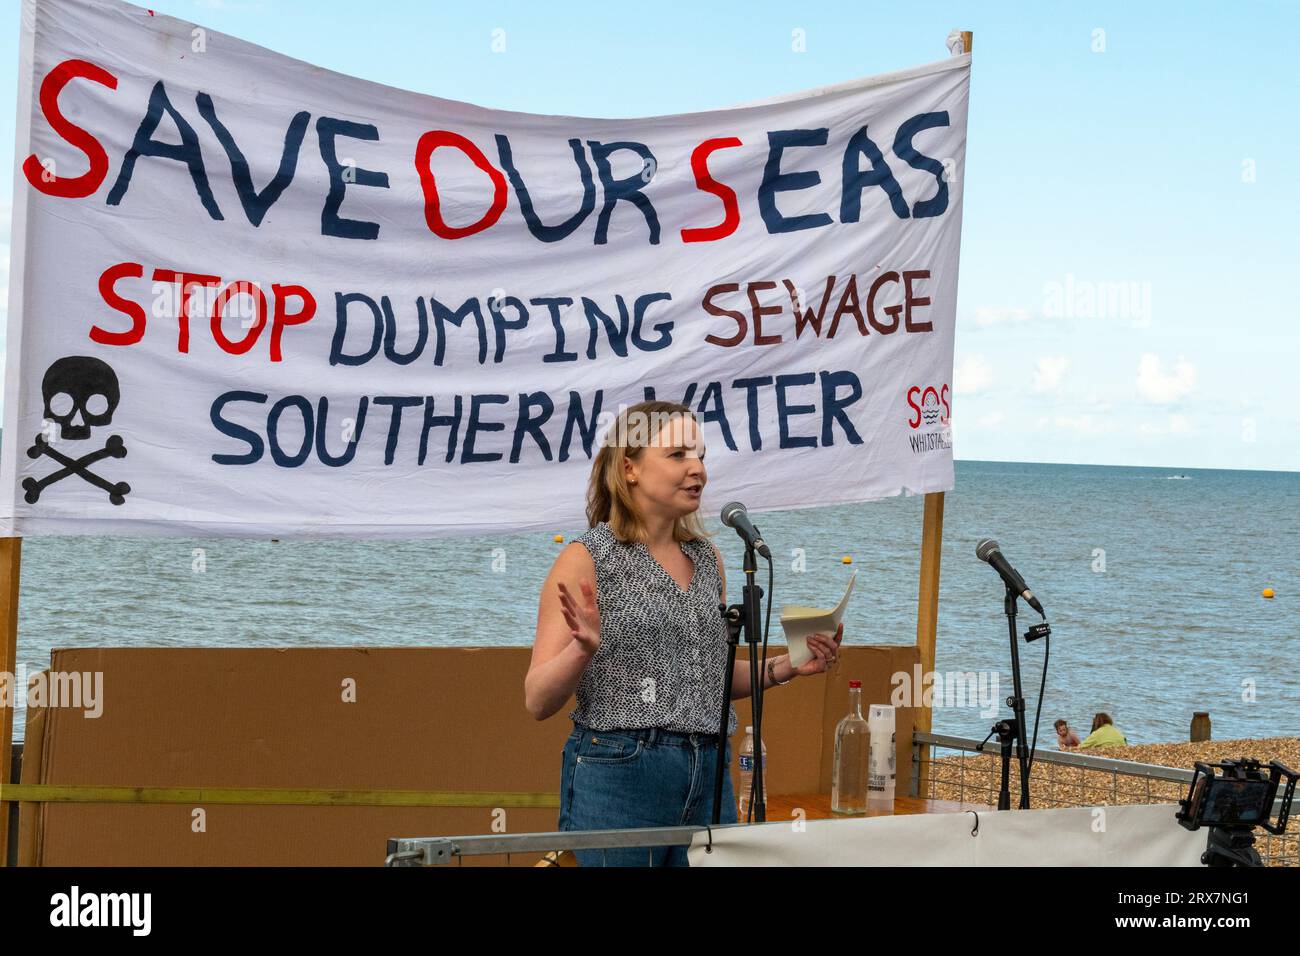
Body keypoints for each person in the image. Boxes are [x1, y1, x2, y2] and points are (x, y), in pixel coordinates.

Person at [524, 400, 843, 866]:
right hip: (621, 772)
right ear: (629, 468)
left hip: (710, 772)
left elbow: (706, 680)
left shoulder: (705, 557)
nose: (698, 470)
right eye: (678, 456)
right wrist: (581, 650)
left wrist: (786, 666)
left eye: (701, 457)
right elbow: (537, 699)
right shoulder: (587, 557)